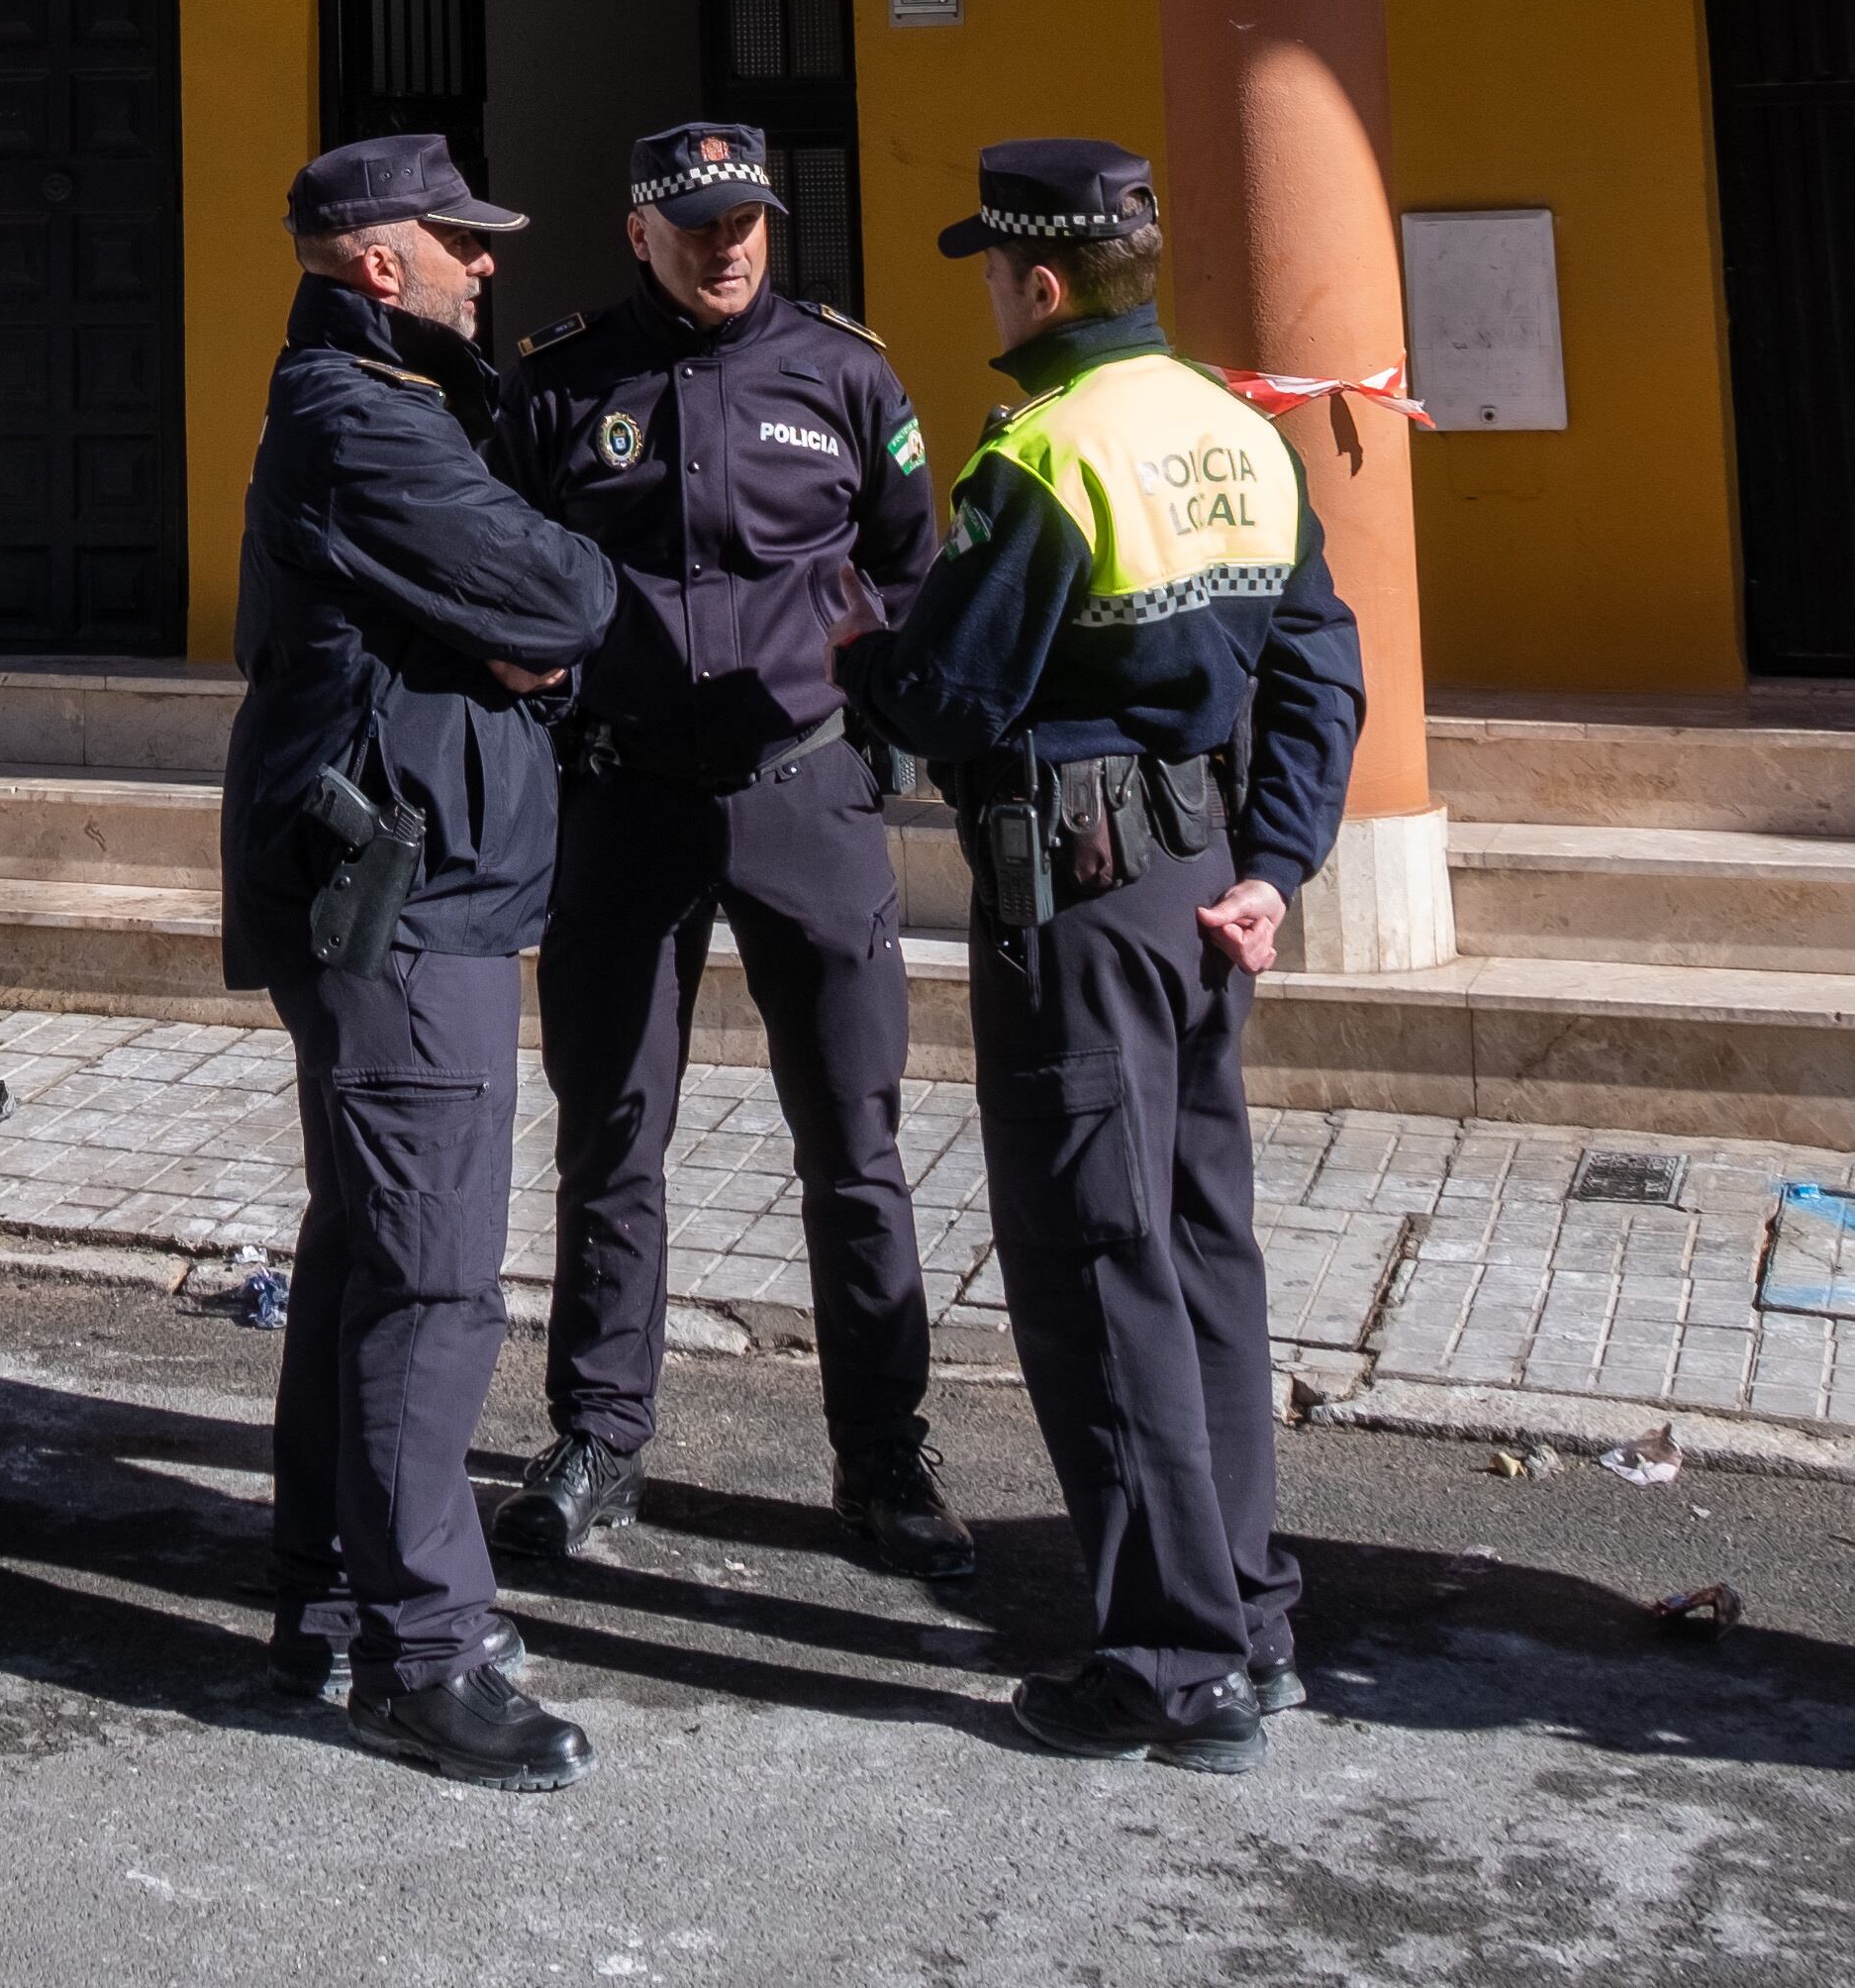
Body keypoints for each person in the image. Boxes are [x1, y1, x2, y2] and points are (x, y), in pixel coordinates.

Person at [838, 138, 1366, 1773]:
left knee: (1094, 1264)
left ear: (1041, 284)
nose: (988, 295)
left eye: (993, 269)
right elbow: (1320, 669)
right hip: (1211, 890)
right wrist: (1275, 862)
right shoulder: (1237, 432)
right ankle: (1249, 1620)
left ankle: (1167, 1660)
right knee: (1204, 1252)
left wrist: (863, 649)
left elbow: (949, 700)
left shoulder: (1043, 459)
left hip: (1077, 903)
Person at [486, 121, 972, 1588]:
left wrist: (873, 742)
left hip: (799, 799)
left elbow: (908, 565)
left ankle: (882, 1451)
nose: (728, 244)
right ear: (639, 230)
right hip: (620, 803)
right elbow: (504, 565)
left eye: (748, 218)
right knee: (611, 1137)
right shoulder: (560, 382)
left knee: (853, 1142)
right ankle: (597, 1435)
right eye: (697, 223)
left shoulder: (844, 373)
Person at [223, 130, 622, 1792]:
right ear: (377, 261)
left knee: (365, 1250)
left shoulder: (404, 404)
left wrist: (516, 630)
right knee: (432, 1275)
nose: (485, 264)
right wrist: (533, 621)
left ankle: (326, 1588)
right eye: (457, 240)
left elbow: (520, 612)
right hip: (397, 895)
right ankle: (421, 1649)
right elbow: (560, 588)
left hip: (405, 879)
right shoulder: (360, 419)